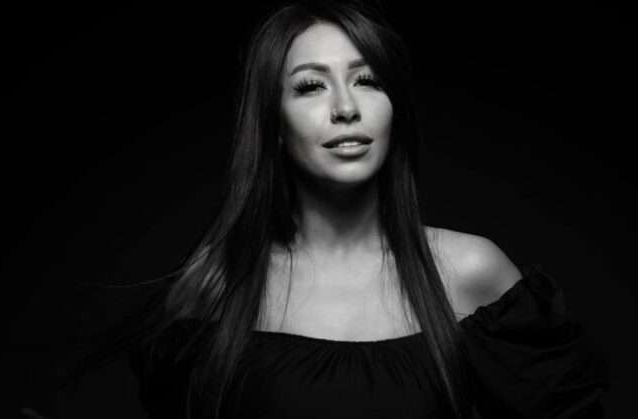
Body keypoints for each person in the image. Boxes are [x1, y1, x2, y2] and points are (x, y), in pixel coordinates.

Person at [126, 1, 610, 418]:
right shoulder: (217, 283)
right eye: (311, 86)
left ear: (394, 109)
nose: (346, 107)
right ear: (272, 121)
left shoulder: (470, 272)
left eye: (367, 80)